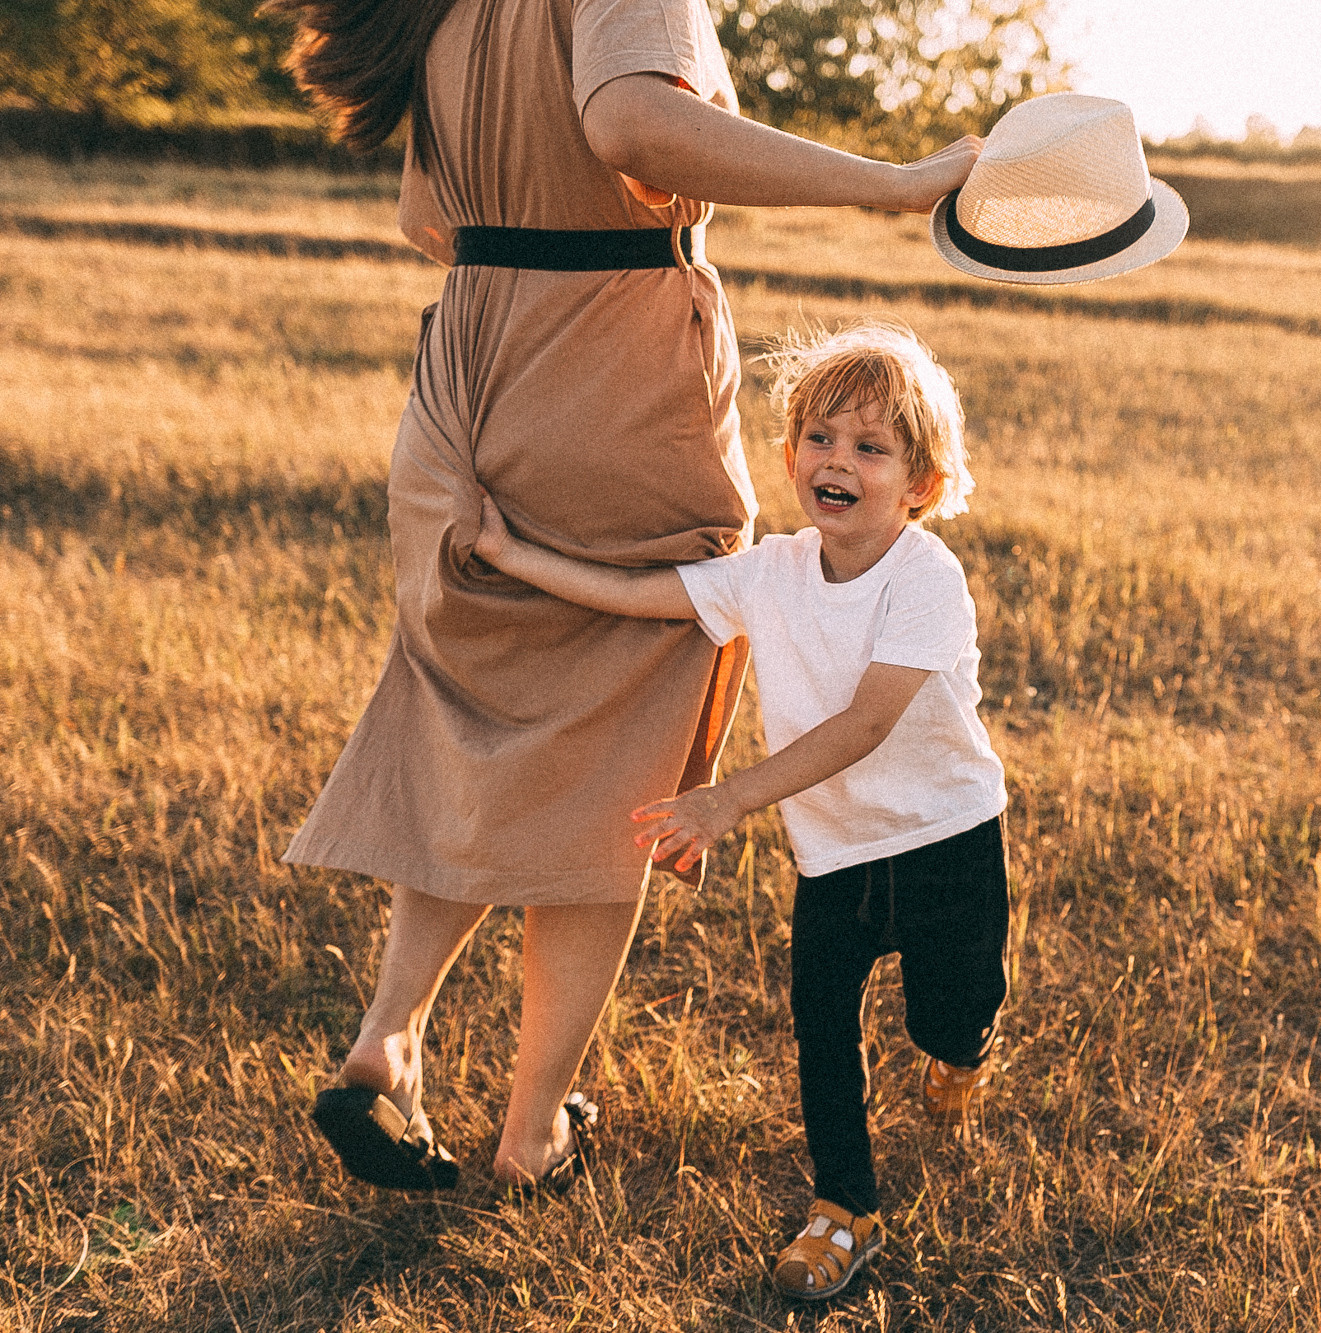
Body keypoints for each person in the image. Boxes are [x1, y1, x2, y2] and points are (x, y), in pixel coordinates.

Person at [268, 0, 980, 1192]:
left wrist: (520, 265)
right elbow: (633, 125)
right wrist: (894, 183)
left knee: (473, 720)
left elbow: (422, 218)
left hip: (463, 381)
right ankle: (531, 1127)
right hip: (605, 383)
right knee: (617, 770)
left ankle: (389, 1040)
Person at [473, 320, 1011, 1300]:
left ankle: (959, 1056)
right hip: (833, 856)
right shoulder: (769, 570)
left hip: (947, 839)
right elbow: (644, 597)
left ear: (920, 485)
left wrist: (725, 801)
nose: (834, 460)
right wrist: (514, 558)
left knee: (954, 1011)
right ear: (788, 451)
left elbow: (863, 725)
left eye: (869, 447)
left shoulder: (927, 579)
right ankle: (842, 1207)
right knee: (821, 1029)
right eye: (818, 436)